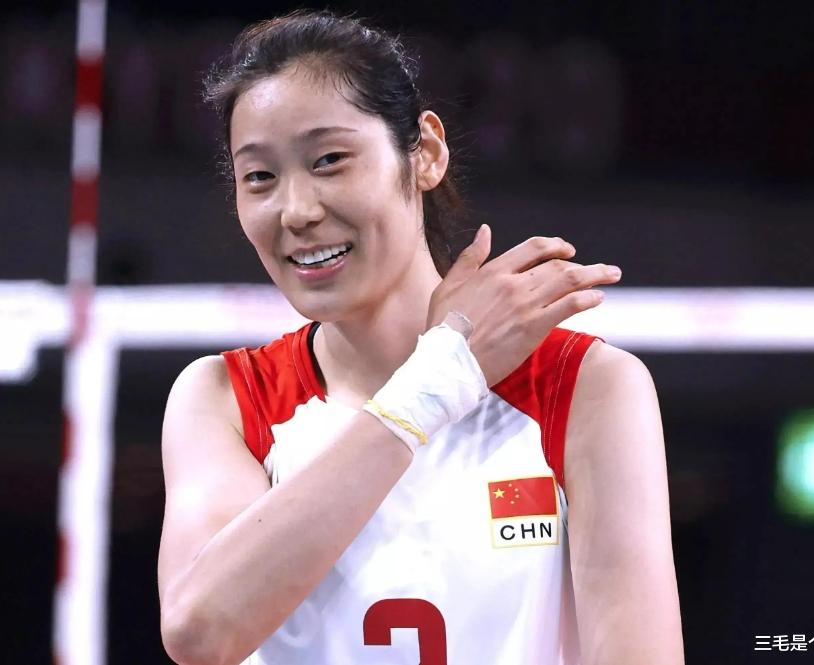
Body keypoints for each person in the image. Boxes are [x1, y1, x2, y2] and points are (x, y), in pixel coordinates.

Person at [157, 9, 684, 665]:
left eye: (329, 160)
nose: (297, 211)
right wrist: (435, 382)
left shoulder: (584, 387)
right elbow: (199, 632)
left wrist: (445, 371)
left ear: (426, 152)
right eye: (260, 176)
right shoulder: (227, 399)